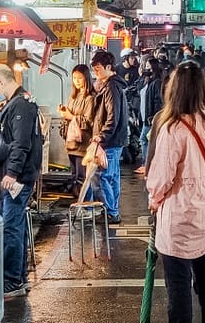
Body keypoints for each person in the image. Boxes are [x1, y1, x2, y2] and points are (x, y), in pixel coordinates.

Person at [143, 61, 205, 323]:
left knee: (178, 288)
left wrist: (153, 200)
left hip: (179, 219)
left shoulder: (173, 129)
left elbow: (161, 178)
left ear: (174, 91)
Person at [0, 65, 43, 299]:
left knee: (11, 227)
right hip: (17, 176)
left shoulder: (20, 105)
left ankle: (12, 280)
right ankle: (18, 278)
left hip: (17, 179)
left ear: (1, 83)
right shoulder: (16, 103)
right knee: (15, 226)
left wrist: (11, 173)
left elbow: (21, 143)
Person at [91, 49, 129, 225]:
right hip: (116, 139)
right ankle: (112, 210)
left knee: (104, 176)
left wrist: (102, 136)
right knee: (112, 176)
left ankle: (111, 212)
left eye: (98, 69)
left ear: (108, 67)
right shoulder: (113, 85)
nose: (95, 73)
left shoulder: (111, 87)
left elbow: (112, 116)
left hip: (110, 141)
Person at [59, 64, 96, 195]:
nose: (77, 81)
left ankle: (85, 206)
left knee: (82, 178)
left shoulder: (90, 98)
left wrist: (71, 116)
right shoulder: (73, 97)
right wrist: (65, 113)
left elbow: (89, 121)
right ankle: (79, 205)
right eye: (74, 78)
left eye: (80, 78)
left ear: (86, 78)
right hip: (71, 144)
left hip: (83, 145)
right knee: (74, 176)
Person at [138, 56, 166, 174]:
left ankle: (147, 164)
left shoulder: (157, 82)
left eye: (148, 66)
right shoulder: (147, 81)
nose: (146, 68)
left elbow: (158, 101)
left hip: (151, 118)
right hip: (145, 116)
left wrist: (154, 117)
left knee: (144, 139)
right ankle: (147, 164)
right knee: (146, 140)